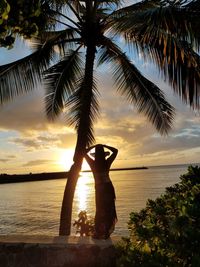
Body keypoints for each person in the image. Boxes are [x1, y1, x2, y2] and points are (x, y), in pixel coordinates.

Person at [84, 144, 118, 239]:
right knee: (109, 210)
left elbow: (83, 152)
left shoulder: (92, 163)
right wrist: (105, 145)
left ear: (96, 155)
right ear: (103, 154)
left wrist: (93, 146)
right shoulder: (107, 162)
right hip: (108, 188)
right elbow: (115, 151)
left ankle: (99, 232)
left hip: (100, 189)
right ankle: (106, 232)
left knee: (100, 210)